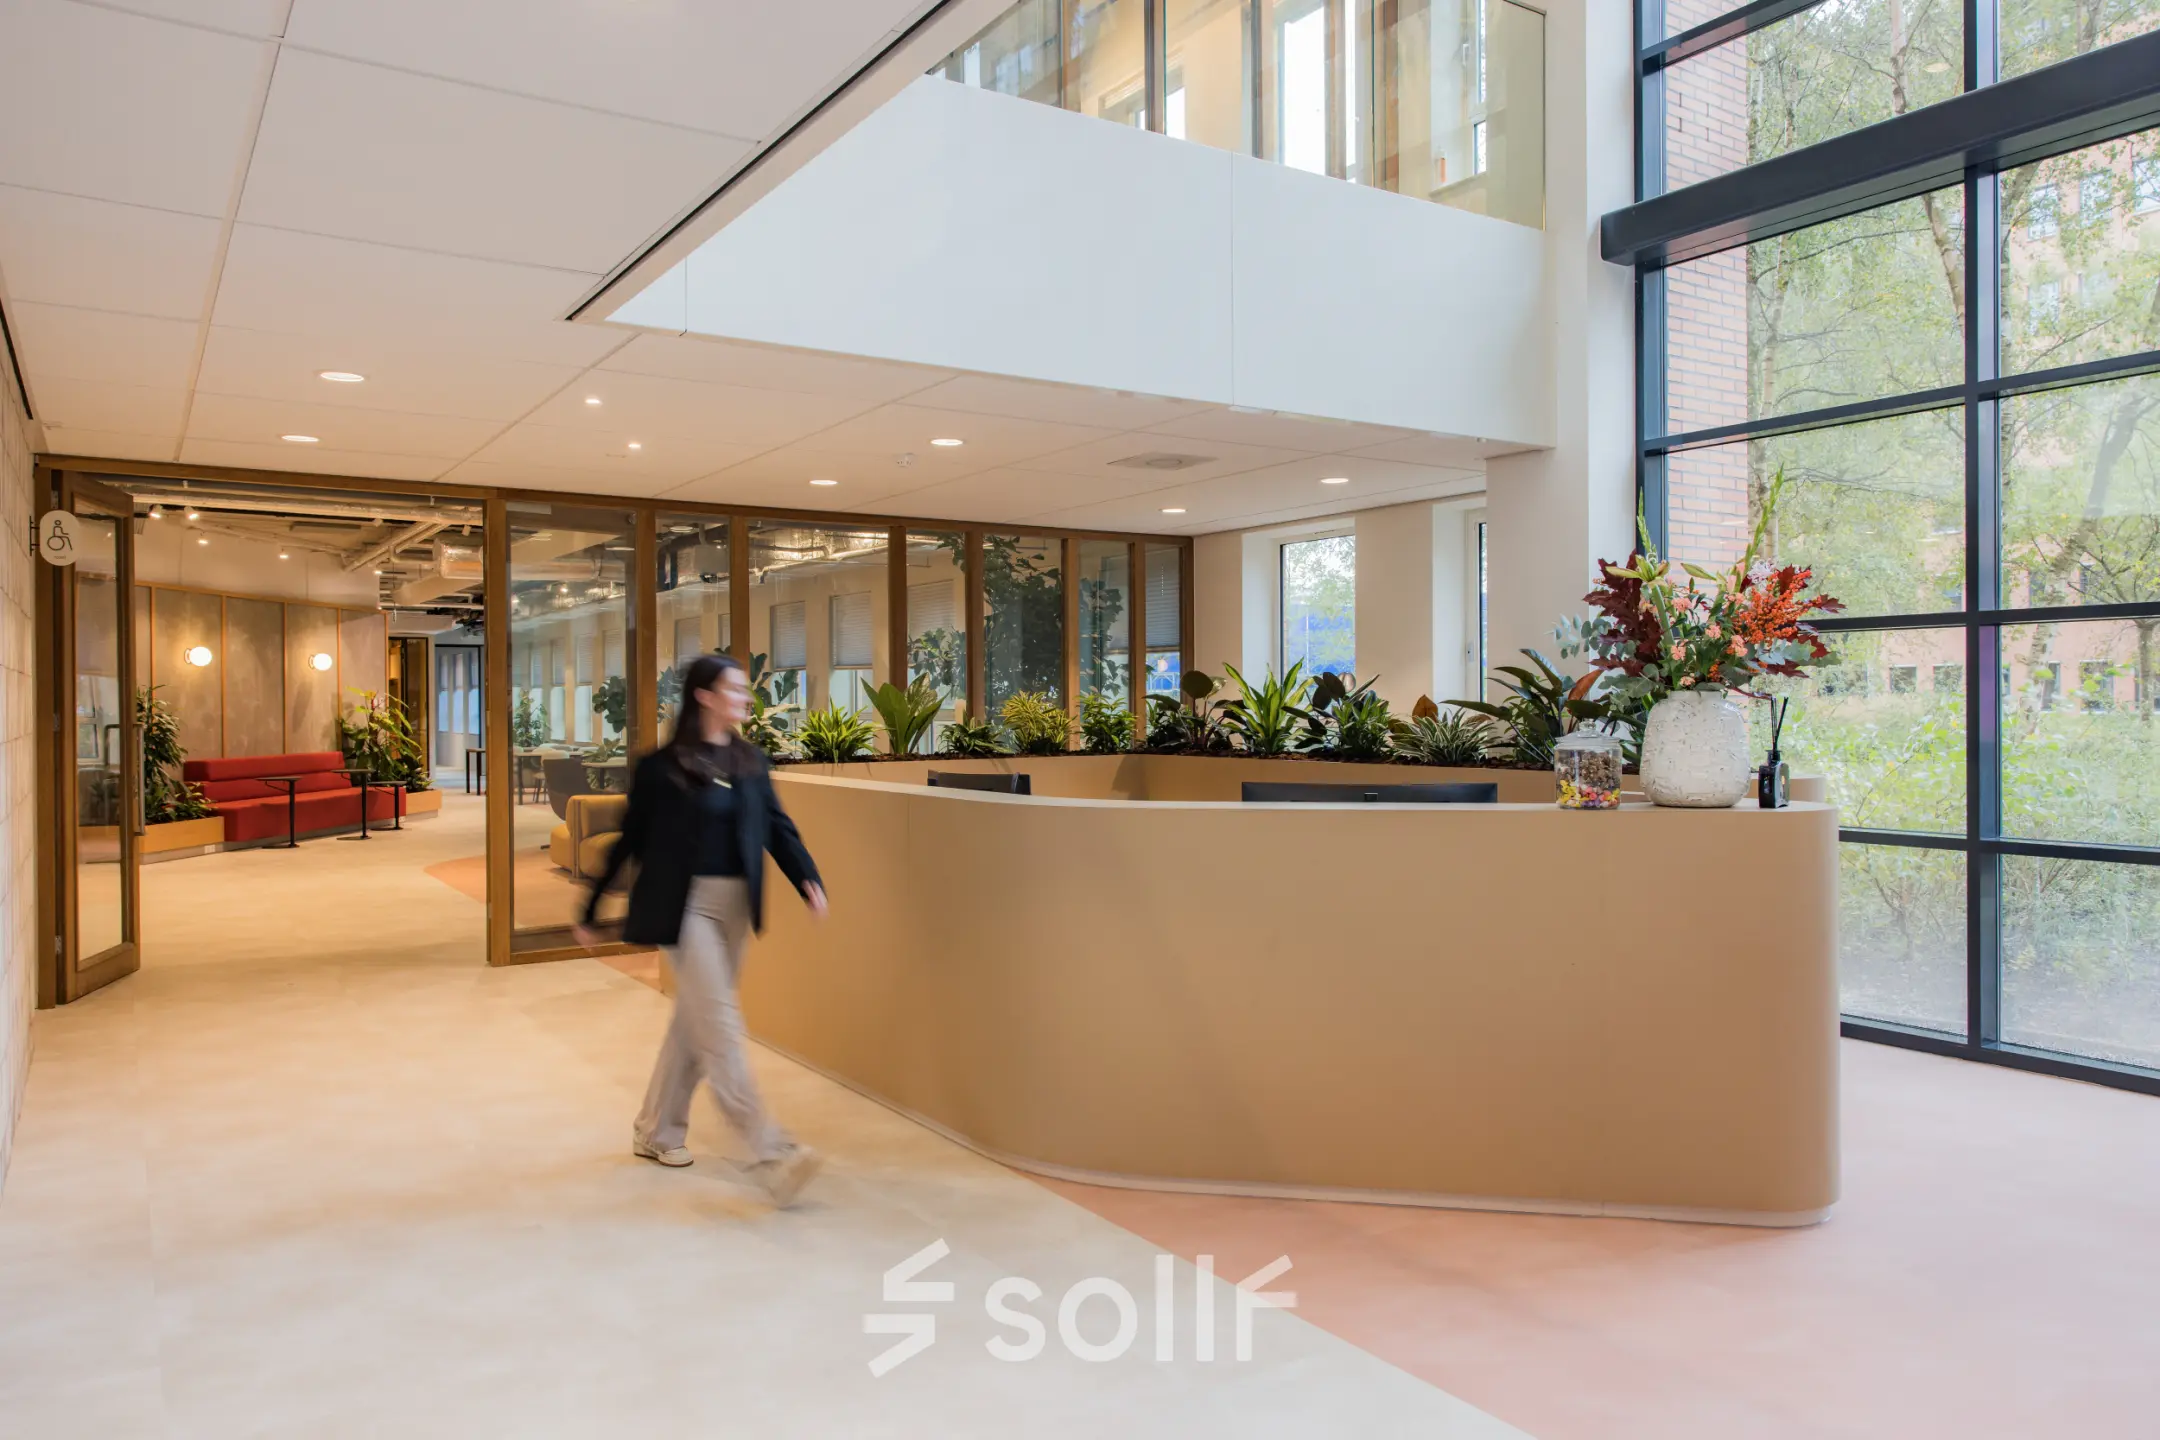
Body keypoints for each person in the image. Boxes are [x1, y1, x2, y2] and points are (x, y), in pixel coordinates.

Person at [574, 652, 829, 1207]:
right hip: (687, 906)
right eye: (734, 689)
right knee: (720, 1025)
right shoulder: (661, 768)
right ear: (704, 696)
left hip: (736, 908)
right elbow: (630, 840)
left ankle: (655, 1130)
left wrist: (806, 877)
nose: (745, 697)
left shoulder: (749, 761)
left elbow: (777, 829)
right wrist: (592, 907)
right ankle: (772, 1151)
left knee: (695, 1022)